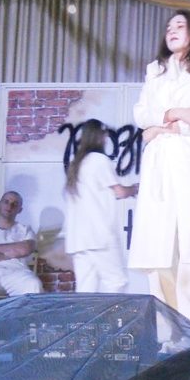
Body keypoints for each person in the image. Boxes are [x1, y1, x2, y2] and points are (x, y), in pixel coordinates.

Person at [127, 10, 190, 334]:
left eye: (180, 25)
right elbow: (141, 114)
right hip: (159, 166)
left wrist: (160, 128)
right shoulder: (154, 70)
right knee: (160, 253)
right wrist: (176, 112)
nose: (172, 30)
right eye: (169, 26)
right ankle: (169, 336)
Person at [64, 119, 138, 293]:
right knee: (117, 282)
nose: (106, 138)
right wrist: (135, 188)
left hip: (78, 239)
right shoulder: (99, 160)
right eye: (104, 134)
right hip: (99, 235)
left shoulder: (76, 163)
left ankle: (88, 314)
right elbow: (119, 192)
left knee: (85, 290)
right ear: (99, 136)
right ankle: (113, 313)